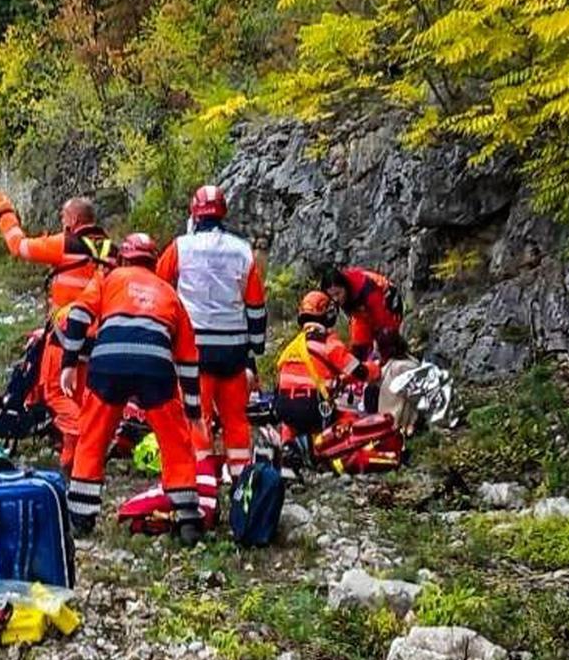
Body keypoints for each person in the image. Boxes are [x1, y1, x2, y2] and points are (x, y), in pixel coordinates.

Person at [60, 233, 204, 544]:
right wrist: (193, 411)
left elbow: (77, 314)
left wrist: (69, 364)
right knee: (175, 441)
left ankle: (81, 519)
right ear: (154, 263)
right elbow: (189, 359)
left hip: (107, 363)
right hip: (155, 365)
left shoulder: (109, 279)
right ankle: (189, 519)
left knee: (93, 437)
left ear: (124, 257)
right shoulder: (169, 293)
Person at [0, 191, 113, 476]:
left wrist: (6, 213)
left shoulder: (66, 244)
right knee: (80, 399)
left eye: (62, 217)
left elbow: (18, 246)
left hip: (65, 337)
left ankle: (89, 441)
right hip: (98, 340)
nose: (61, 221)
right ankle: (71, 465)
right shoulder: (111, 250)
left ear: (72, 220)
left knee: (56, 395)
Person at [156, 184, 266, 478]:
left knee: (197, 415)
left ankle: (203, 478)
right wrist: (255, 350)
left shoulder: (180, 247)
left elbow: (159, 288)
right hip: (233, 349)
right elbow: (255, 306)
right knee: (235, 418)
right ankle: (243, 477)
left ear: (194, 213)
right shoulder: (242, 251)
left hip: (195, 348)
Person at [275, 291, 379, 440]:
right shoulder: (329, 343)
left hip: (284, 408)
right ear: (327, 314)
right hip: (312, 407)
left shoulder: (293, 346)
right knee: (348, 416)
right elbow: (359, 371)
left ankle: (289, 451)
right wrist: (374, 369)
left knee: (292, 424)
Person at [316, 263, 404, 362]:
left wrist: (381, 337)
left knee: (386, 337)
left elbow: (381, 315)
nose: (335, 299)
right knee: (359, 348)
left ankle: (398, 357)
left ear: (344, 287)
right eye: (332, 295)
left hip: (386, 300)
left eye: (338, 294)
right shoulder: (339, 297)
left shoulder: (365, 286)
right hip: (360, 311)